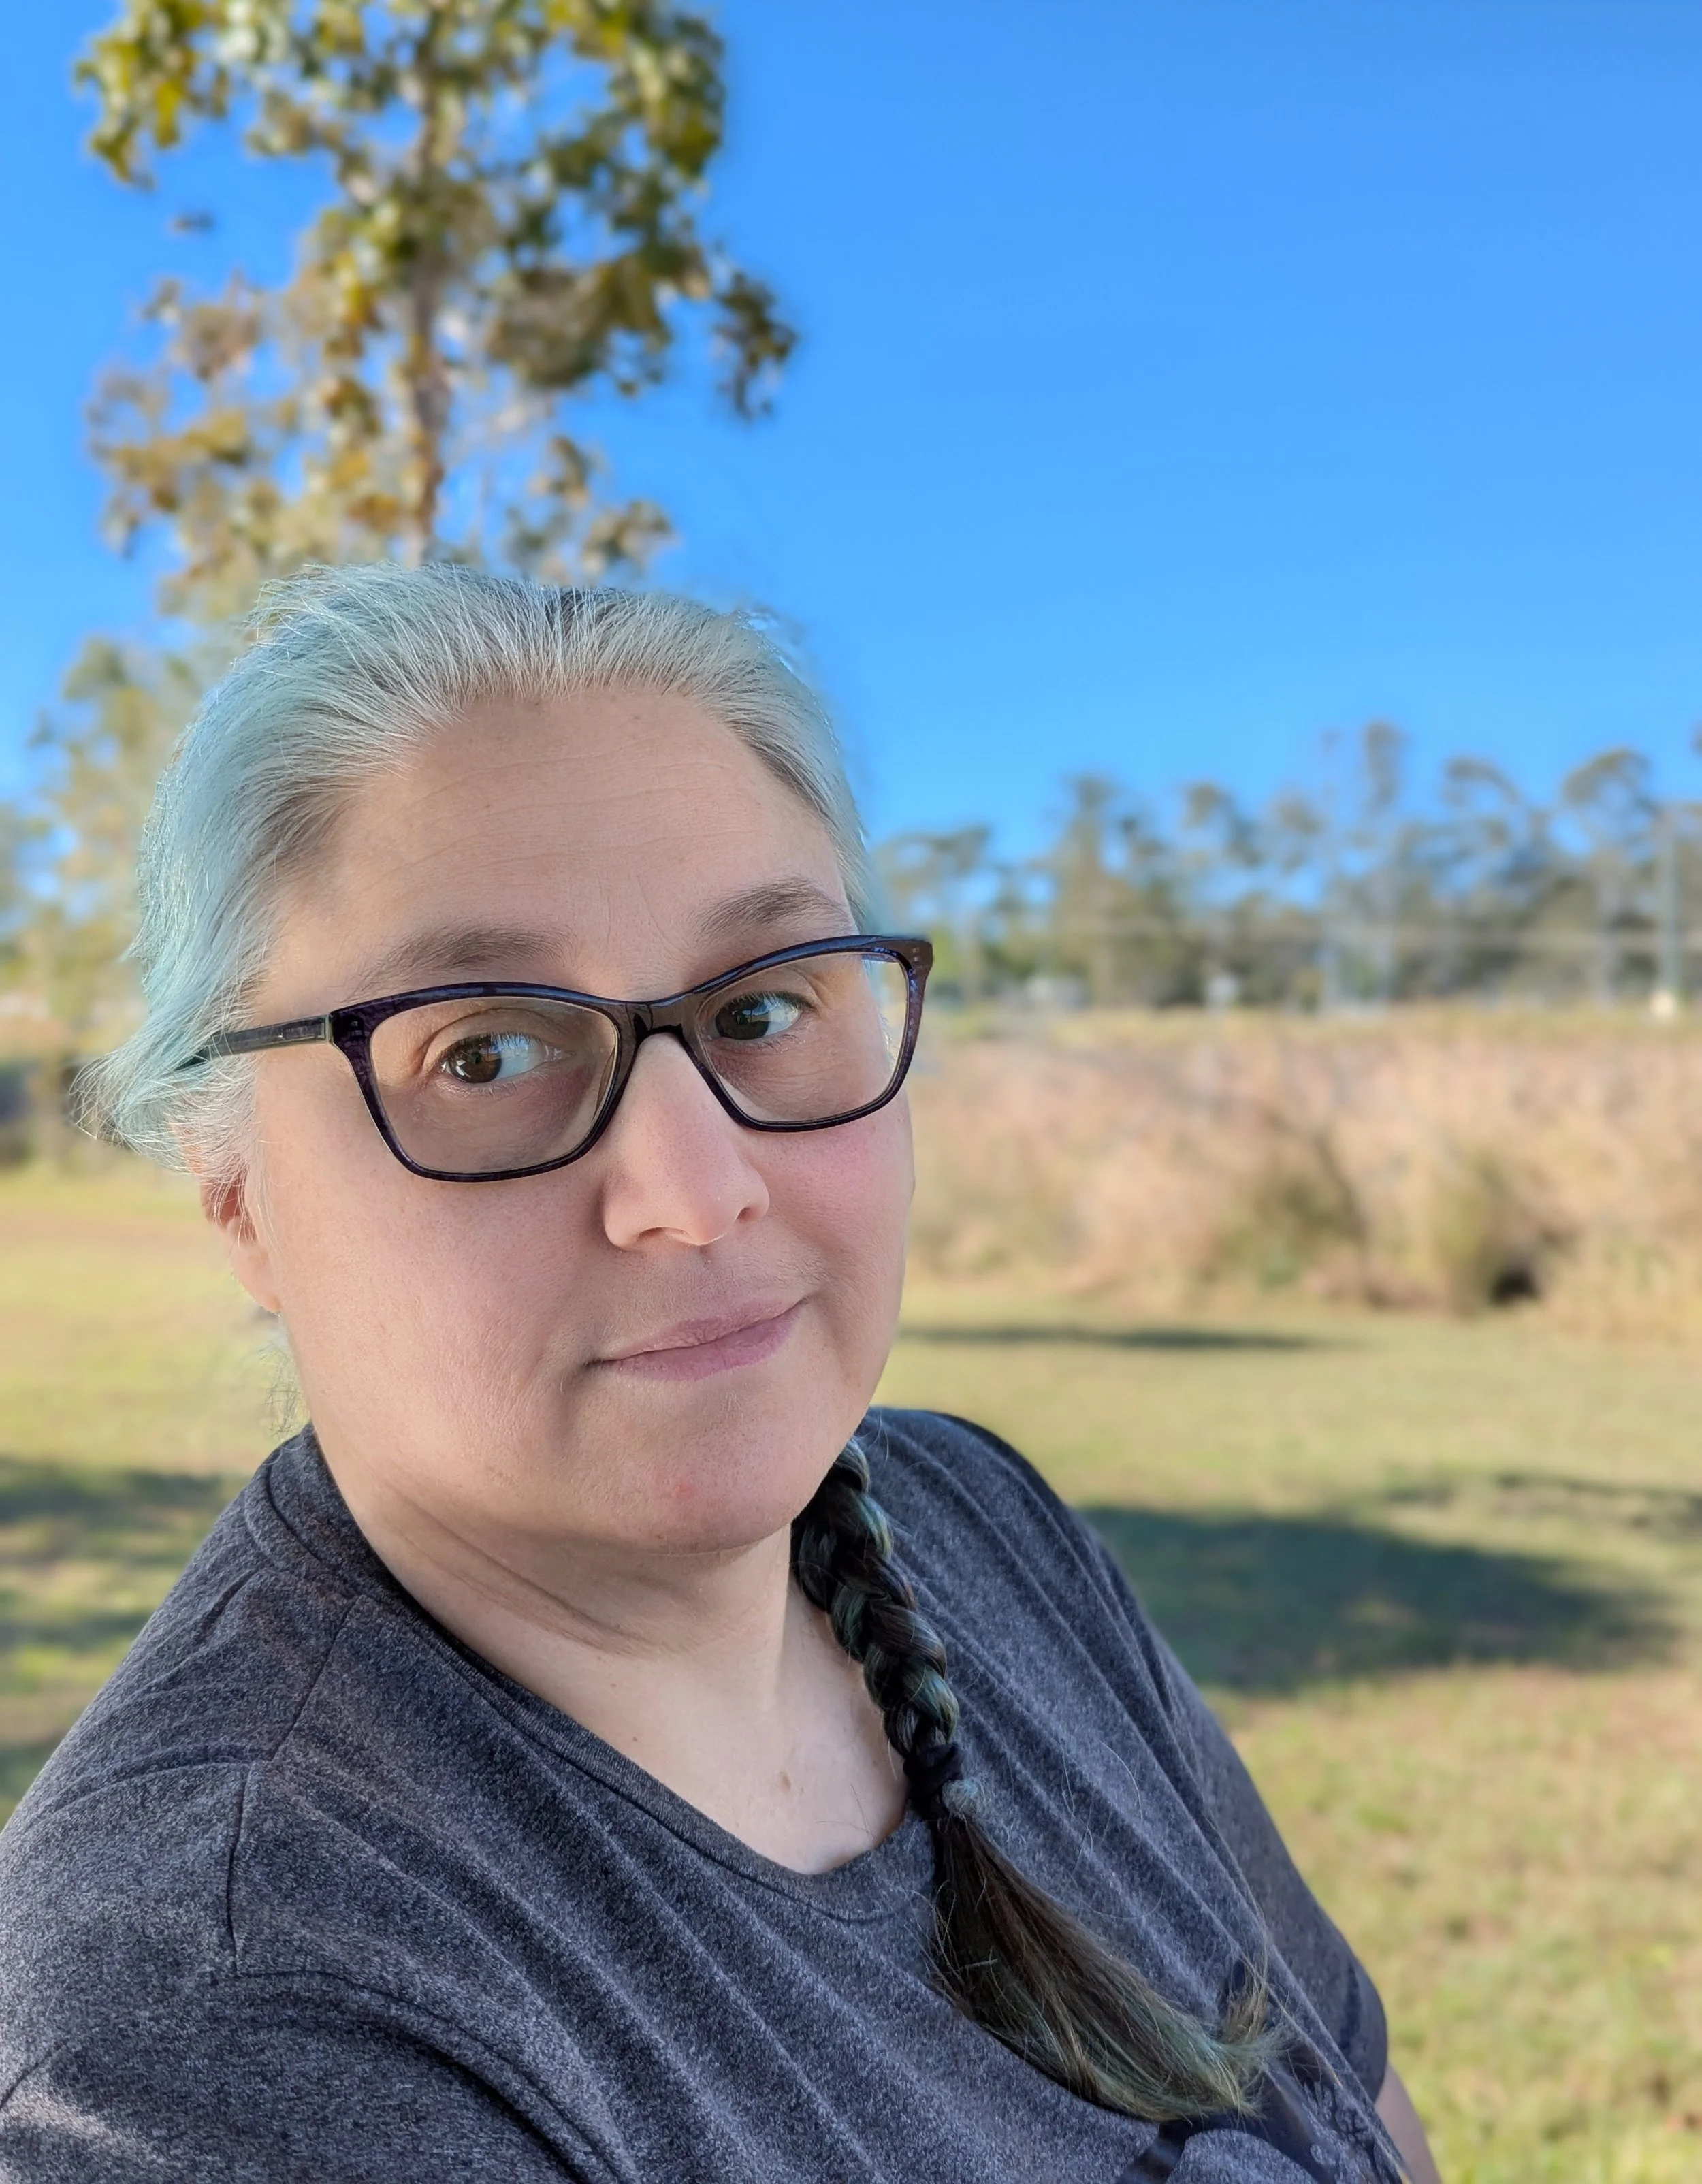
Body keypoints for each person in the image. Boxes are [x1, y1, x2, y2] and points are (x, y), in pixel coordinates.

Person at [0, 566, 1441, 2183]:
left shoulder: (976, 1521)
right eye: (479, 1051)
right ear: (237, 1197)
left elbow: (1351, 2096)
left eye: (761, 1005)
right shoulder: (222, 2025)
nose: (693, 1187)